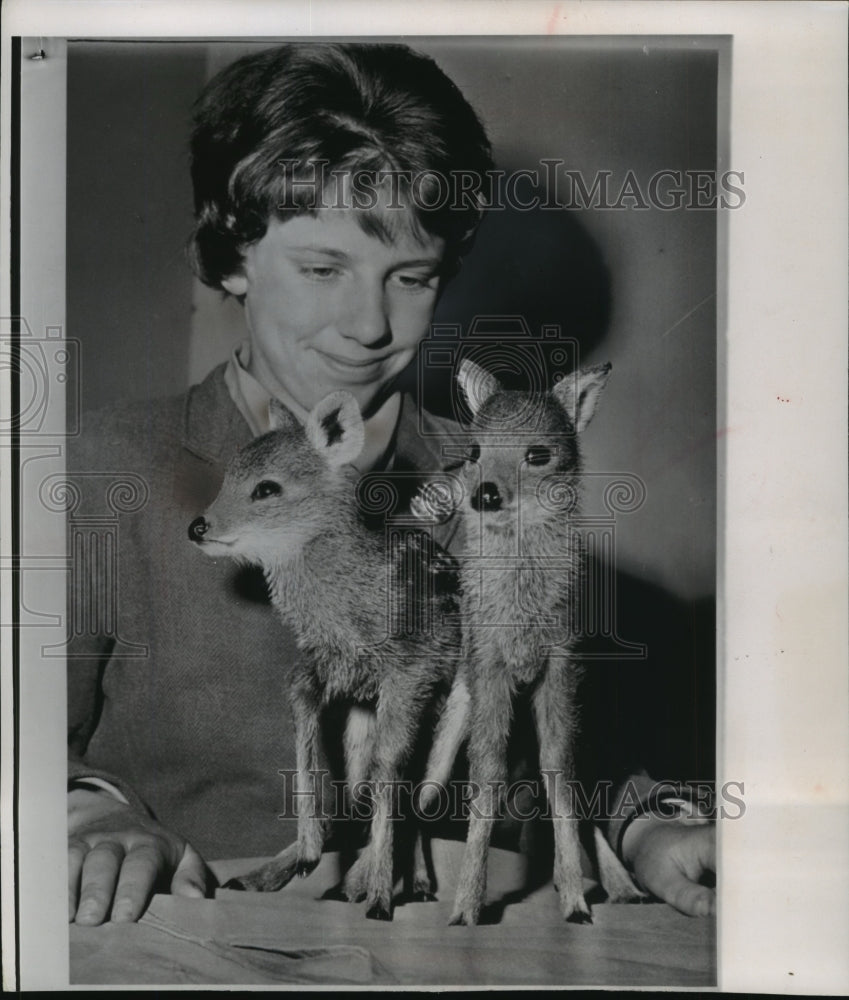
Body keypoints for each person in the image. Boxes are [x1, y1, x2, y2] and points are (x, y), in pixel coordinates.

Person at [67, 41, 715, 928]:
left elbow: (558, 710)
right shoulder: (98, 465)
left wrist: (648, 825)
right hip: (194, 938)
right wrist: (83, 813)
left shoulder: (484, 472)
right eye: (322, 269)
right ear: (230, 259)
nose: (369, 325)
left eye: (410, 278)